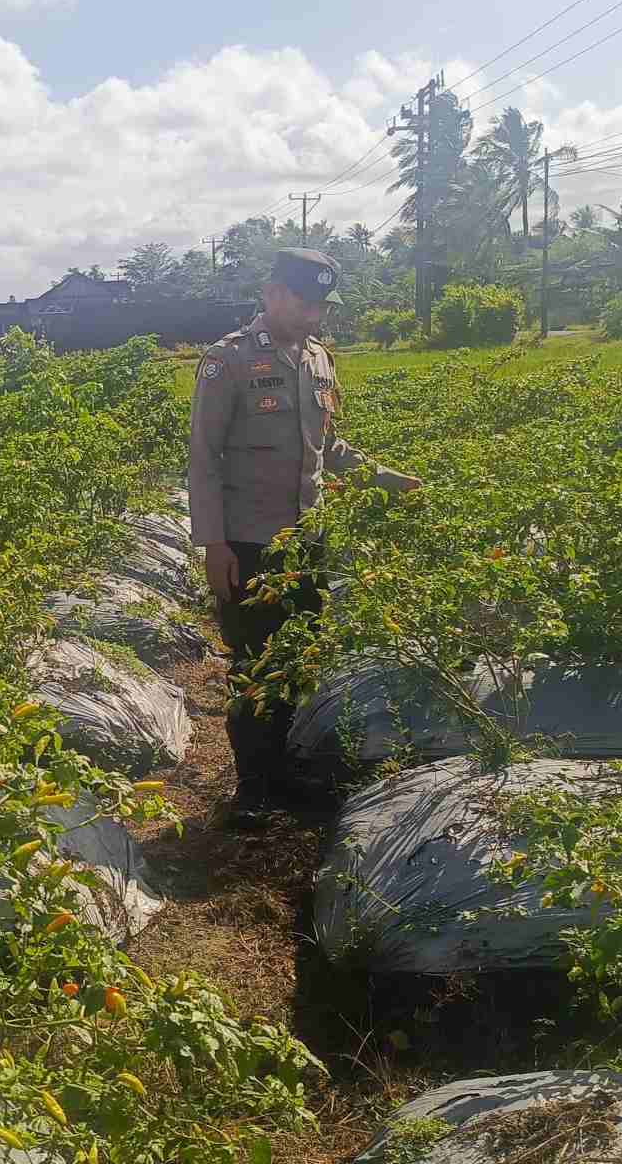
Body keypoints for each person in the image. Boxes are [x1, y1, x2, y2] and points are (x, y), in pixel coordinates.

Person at [188, 249, 421, 827]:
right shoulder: (229, 361)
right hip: (247, 544)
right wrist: (212, 544)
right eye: (305, 301)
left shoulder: (318, 361)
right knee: (253, 661)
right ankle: (251, 790)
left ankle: (283, 773)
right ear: (272, 293)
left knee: (297, 658)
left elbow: (328, 448)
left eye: (321, 304)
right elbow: (204, 460)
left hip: (306, 542)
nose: (314, 314)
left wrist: (388, 479)